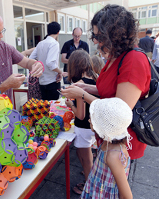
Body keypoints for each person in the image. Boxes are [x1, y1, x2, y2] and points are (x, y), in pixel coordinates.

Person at [61, 4, 151, 160]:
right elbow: (110, 90)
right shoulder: (115, 57)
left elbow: (117, 113)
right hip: (109, 140)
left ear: (116, 35)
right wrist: (86, 87)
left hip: (122, 146)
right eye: (94, 36)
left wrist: (82, 94)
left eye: (99, 37)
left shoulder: (133, 60)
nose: (96, 42)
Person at [81, 97, 133, 198]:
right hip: (96, 191)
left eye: (93, 119)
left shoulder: (112, 155)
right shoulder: (107, 143)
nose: (89, 120)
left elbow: (127, 196)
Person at [64, 50, 97, 194]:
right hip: (94, 125)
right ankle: (89, 177)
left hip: (83, 127)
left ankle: (89, 187)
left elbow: (81, 115)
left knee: (86, 158)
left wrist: (70, 105)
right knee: (87, 155)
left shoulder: (80, 84)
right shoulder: (96, 77)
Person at [29, 22, 63, 100]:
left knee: (45, 108)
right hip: (52, 82)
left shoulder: (40, 43)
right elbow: (50, 63)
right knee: (53, 109)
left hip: (41, 81)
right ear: (58, 32)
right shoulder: (54, 43)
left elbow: (31, 58)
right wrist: (60, 72)